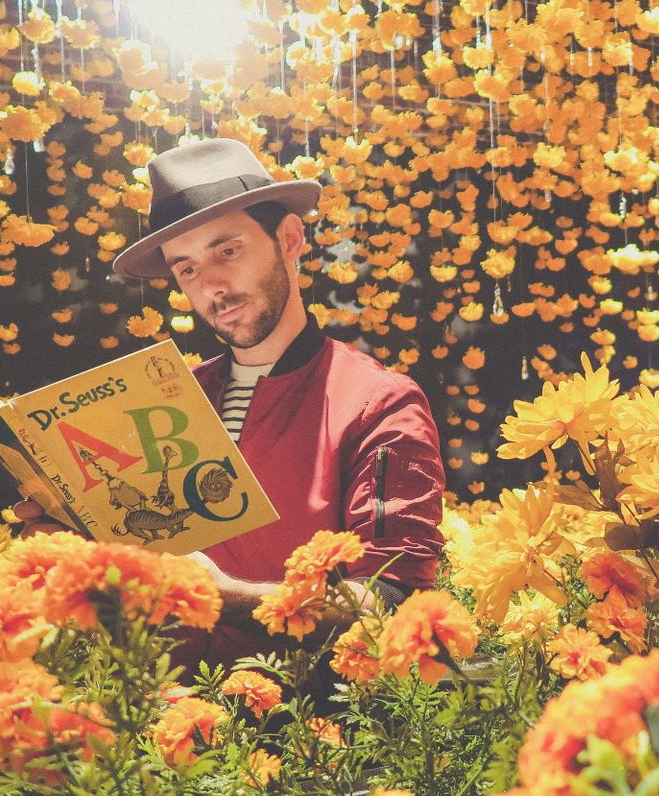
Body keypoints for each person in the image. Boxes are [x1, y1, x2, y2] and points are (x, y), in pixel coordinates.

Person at [28, 138, 446, 675]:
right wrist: (66, 539)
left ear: (290, 239)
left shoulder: (377, 403)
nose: (212, 287)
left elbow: (392, 600)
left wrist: (226, 595)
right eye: (187, 269)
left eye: (227, 250)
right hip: (164, 719)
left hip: (308, 734)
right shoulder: (159, 401)